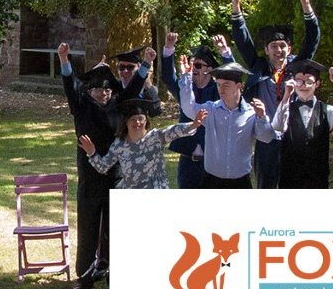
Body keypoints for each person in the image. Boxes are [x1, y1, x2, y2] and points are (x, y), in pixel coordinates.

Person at [230, 0, 320, 188]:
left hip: (295, 136)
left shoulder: (298, 66)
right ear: (266, 49)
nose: (278, 50)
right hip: (266, 136)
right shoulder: (258, 66)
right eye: (273, 46)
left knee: (295, 185)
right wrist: (236, 9)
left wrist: (306, 6)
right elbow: (243, 41)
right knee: (266, 186)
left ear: (289, 48)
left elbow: (313, 38)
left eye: (283, 46)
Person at [58, 46, 117, 289]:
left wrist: (145, 66)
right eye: (97, 88)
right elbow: (71, 86)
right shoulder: (81, 106)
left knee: (113, 228)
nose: (102, 93)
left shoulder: (118, 108)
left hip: (115, 173)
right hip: (90, 176)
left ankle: (110, 275)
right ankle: (84, 275)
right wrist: (64, 60)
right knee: (89, 223)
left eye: (106, 88)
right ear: (89, 90)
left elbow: (135, 89)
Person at [178, 62, 276, 188]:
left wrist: (262, 117)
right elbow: (189, 108)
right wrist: (186, 76)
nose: (221, 89)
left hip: (241, 181)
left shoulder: (252, 112)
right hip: (211, 180)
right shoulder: (210, 109)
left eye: (226, 85)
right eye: (218, 85)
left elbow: (266, 137)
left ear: (239, 86)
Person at [80, 99, 206, 189]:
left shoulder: (155, 137)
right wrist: (92, 152)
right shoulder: (119, 145)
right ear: (126, 123)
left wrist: (193, 125)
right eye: (133, 119)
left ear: (146, 121)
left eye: (141, 119)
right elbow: (103, 167)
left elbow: (174, 130)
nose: (137, 123)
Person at [161, 33, 231, 188]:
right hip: (188, 162)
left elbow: (231, 75)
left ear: (210, 70)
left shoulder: (219, 90)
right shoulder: (184, 88)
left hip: (214, 160)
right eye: (192, 65)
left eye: (198, 66)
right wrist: (169, 48)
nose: (193, 69)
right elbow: (167, 77)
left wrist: (224, 52)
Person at [271, 59, 333, 188]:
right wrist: (286, 95)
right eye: (299, 81)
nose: (303, 85)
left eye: (309, 81)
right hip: (290, 177)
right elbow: (278, 126)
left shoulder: (326, 110)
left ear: (317, 84)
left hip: (317, 177)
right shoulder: (286, 108)